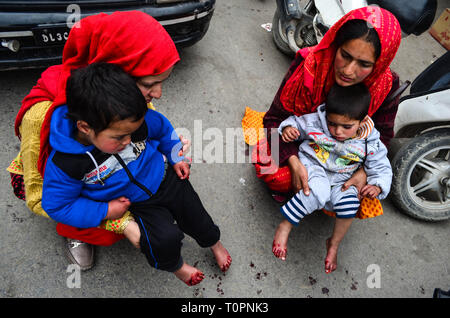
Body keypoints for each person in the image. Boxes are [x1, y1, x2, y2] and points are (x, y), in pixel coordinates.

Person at [7, 11, 192, 270]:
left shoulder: (126, 101)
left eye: (162, 82)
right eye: (150, 84)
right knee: (88, 219)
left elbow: (151, 128)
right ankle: (77, 233)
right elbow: (43, 199)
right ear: (113, 73)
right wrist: (116, 220)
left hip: (114, 179)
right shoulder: (42, 120)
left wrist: (169, 149)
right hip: (79, 192)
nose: (159, 94)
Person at [41, 62, 231, 286]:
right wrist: (105, 210)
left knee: (197, 216)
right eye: (119, 137)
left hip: (166, 178)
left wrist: (175, 156)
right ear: (84, 128)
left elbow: (162, 130)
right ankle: (176, 267)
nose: (129, 141)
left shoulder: (130, 120)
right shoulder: (67, 163)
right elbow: (58, 205)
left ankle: (214, 243)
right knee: (162, 240)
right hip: (138, 203)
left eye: (132, 133)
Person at [256, 6, 402, 273]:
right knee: (272, 169)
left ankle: (331, 237)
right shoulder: (309, 64)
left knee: (357, 196)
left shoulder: (387, 87)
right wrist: (293, 161)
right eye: (344, 55)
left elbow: (383, 140)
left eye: (364, 64)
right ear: (335, 44)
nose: (348, 70)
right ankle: (291, 199)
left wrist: (362, 173)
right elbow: (274, 120)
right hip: (306, 151)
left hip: (346, 163)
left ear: (379, 64)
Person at [272, 83, 392, 273]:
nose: (337, 131)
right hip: (314, 165)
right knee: (316, 191)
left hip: (343, 178)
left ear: (362, 122)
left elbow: (381, 166)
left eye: (347, 126)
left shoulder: (371, 141)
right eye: (332, 124)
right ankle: (285, 225)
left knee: (350, 204)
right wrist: (288, 129)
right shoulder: (317, 121)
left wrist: (377, 185)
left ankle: (334, 244)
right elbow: (296, 122)